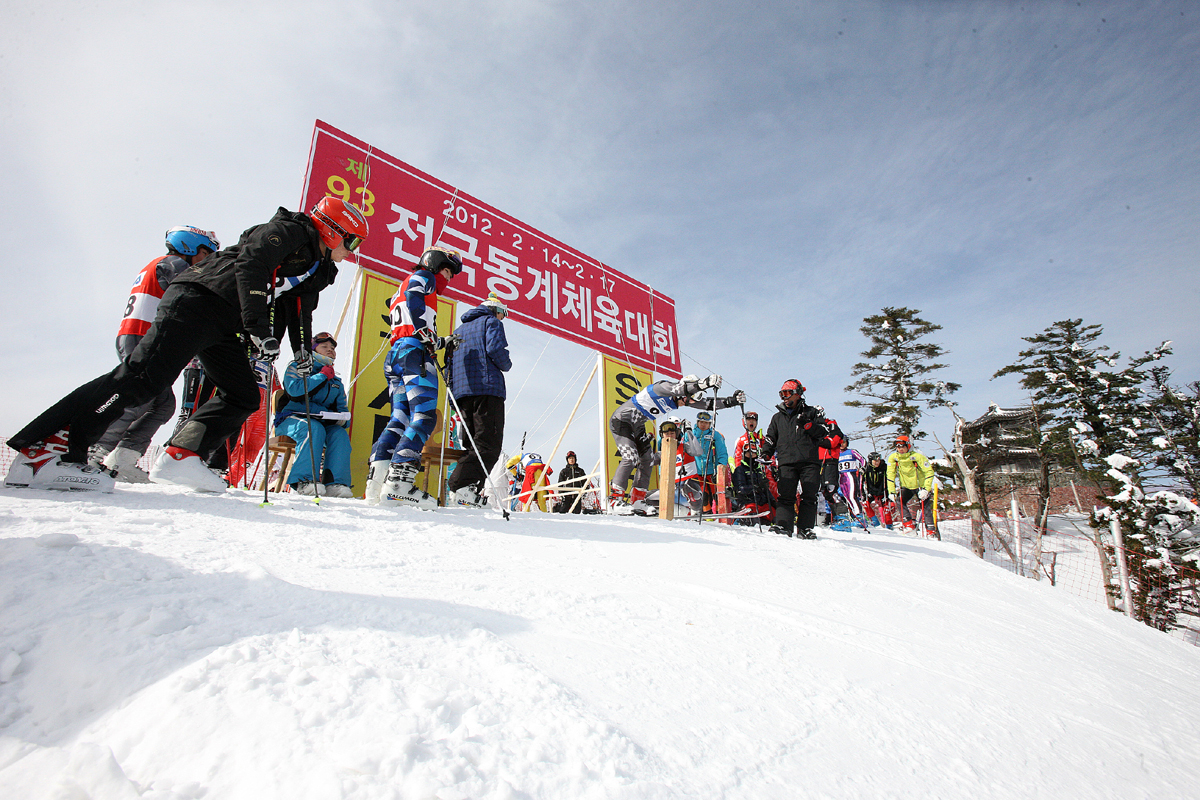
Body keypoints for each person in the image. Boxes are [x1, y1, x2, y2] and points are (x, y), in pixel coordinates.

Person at [4, 198, 366, 493]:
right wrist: (257, 326)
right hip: (199, 299)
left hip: (226, 323)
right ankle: (47, 453)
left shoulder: (318, 269)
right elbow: (252, 265)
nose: (352, 252)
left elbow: (299, 309)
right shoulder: (289, 230)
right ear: (333, 232)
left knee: (242, 393)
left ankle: (181, 457)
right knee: (145, 378)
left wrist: (301, 350)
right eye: (351, 242)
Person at [89, 226, 220, 483]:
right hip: (142, 336)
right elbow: (200, 290)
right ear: (189, 247)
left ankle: (123, 458)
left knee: (163, 404)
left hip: (140, 336)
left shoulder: (165, 264)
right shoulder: (171, 264)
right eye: (206, 253)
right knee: (142, 396)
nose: (208, 261)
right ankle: (95, 450)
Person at [367, 247, 464, 509]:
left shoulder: (402, 286)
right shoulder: (424, 277)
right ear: (434, 264)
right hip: (414, 353)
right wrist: (423, 329)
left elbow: (401, 311)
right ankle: (398, 485)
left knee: (399, 418)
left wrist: (441, 340)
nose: (448, 278)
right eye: (447, 270)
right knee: (424, 416)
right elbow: (415, 297)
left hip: (397, 353)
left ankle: (376, 483)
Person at [608, 374, 745, 514]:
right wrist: (705, 383)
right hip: (622, 420)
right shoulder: (661, 387)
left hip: (638, 426)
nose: (688, 403)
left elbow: (707, 404)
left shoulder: (681, 398)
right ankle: (614, 500)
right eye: (688, 398)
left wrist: (731, 401)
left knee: (647, 460)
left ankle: (637, 500)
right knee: (631, 458)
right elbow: (680, 388)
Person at [444, 293, 511, 508]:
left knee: (473, 444)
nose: (502, 319)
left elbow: (449, 365)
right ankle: (460, 485)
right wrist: (506, 363)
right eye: (503, 314)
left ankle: (469, 491)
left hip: (462, 393)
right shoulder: (491, 321)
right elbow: (495, 349)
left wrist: (453, 397)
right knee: (488, 444)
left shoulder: (458, 330)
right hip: (487, 388)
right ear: (497, 310)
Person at [275, 332, 352, 497]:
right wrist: (321, 376)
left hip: (322, 424)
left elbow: (343, 412)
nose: (330, 350)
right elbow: (295, 391)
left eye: (332, 348)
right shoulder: (298, 366)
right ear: (313, 350)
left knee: (339, 434)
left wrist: (340, 419)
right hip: (290, 420)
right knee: (313, 428)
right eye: (324, 347)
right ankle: (304, 480)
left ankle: (335, 483)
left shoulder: (336, 382)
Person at [761, 378, 830, 539]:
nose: (784, 397)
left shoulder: (811, 412)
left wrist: (808, 425)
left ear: (798, 394)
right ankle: (783, 526)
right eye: (781, 394)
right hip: (786, 461)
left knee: (809, 495)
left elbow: (824, 432)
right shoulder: (777, 418)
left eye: (787, 393)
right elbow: (771, 438)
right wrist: (766, 453)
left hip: (809, 461)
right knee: (785, 495)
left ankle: (805, 528)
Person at [887, 434, 940, 538]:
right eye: (898, 447)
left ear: (908, 446)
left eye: (902, 446)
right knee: (899, 501)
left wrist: (926, 489)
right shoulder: (894, 458)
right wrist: (891, 491)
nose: (900, 449)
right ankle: (909, 526)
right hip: (906, 486)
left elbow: (929, 472)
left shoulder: (917, 457)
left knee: (925, 507)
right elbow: (890, 475)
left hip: (920, 486)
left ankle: (931, 532)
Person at [681, 410, 728, 514]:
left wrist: (720, 469)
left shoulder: (715, 435)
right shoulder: (689, 434)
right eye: (701, 422)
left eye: (706, 423)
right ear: (697, 422)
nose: (703, 425)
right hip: (696, 473)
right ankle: (705, 515)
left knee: (716, 495)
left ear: (710, 424)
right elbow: (682, 452)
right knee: (703, 496)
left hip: (711, 472)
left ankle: (719, 514)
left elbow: (722, 453)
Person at [862, 451, 893, 528]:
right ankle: (875, 522)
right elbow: (861, 481)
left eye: (878, 461)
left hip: (882, 491)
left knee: (886, 507)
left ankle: (889, 525)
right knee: (865, 503)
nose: (877, 463)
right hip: (871, 491)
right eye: (875, 461)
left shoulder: (884, 467)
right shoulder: (867, 469)